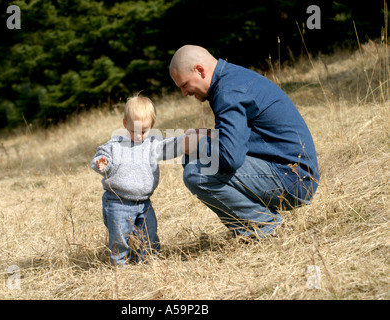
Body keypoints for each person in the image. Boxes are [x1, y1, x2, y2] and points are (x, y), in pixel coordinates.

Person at [169, 45, 320, 239]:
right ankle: (254, 223)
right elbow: (242, 136)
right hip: (292, 172)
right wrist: (207, 137)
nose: (184, 93)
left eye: (184, 85)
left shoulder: (228, 91)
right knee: (193, 157)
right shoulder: (231, 80)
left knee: (197, 172)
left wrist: (197, 144)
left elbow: (230, 158)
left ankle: (266, 227)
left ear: (200, 70)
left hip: (294, 179)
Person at [91, 94, 188, 266]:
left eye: (143, 131)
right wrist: (102, 163)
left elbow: (170, 146)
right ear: (124, 124)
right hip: (117, 201)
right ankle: (120, 264)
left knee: (149, 234)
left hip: (144, 203)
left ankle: (147, 260)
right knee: (119, 237)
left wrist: (187, 140)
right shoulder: (115, 144)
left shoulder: (152, 144)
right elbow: (102, 156)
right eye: (133, 130)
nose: (138, 135)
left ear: (152, 126)